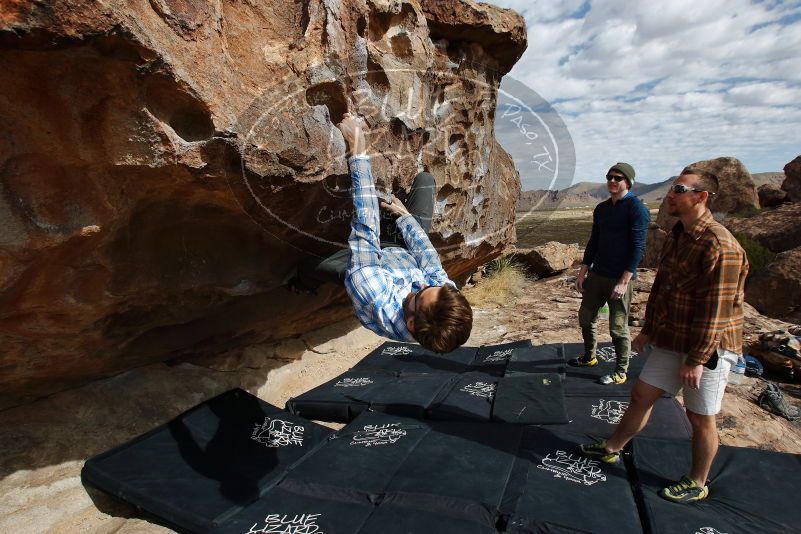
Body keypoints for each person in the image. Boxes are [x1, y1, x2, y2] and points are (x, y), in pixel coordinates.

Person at [579, 167, 749, 504]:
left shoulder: (720, 246)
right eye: (672, 187)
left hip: (709, 346)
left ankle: (697, 482)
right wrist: (649, 330)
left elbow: (716, 312)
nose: (670, 194)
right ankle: (613, 447)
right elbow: (664, 288)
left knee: (699, 416)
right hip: (674, 336)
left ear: (701, 197)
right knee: (642, 394)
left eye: (679, 189)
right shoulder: (680, 234)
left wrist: (697, 359)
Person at [289, 114, 473, 353]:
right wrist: (405, 218)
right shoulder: (439, 300)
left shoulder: (374, 295)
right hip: (402, 252)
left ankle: (301, 283)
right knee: (426, 181)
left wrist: (358, 150)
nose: (426, 283)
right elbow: (430, 263)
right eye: (437, 286)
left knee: (312, 267)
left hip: (372, 262)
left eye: (422, 291)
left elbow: (366, 230)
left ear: (410, 322)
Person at [570, 162, 650, 385]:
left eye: (618, 178)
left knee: (617, 327)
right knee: (586, 318)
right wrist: (582, 272)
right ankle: (589, 357)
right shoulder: (602, 209)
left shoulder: (637, 209)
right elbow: (594, 242)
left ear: (628, 182)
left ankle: (621, 371)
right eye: (609, 177)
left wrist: (624, 281)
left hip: (619, 278)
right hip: (597, 275)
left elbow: (638, 248)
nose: (612, 181)